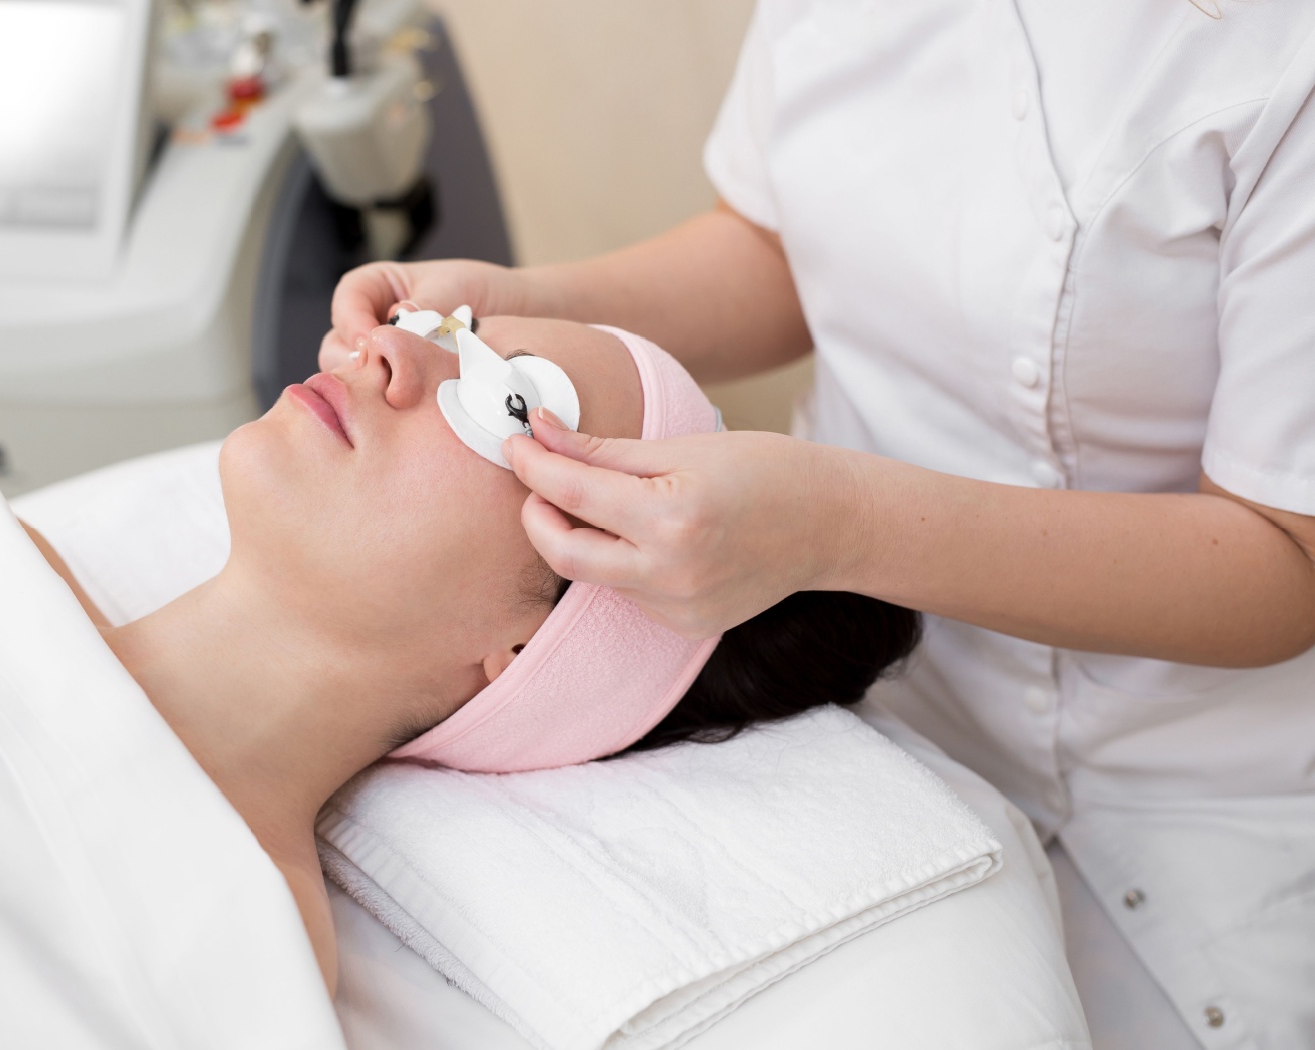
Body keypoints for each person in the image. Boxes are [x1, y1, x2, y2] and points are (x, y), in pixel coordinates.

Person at [319, 6, 1315, 1048]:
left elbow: (1287, 560)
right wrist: (521, 298)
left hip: (1195, 782)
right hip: (876, 719)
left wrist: (838, 526)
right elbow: (782, 246)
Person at [0, 316, 917, 1046]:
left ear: (523, 654)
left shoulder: (220, 971)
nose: (385, 352)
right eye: (447, 329)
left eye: (508, 404)